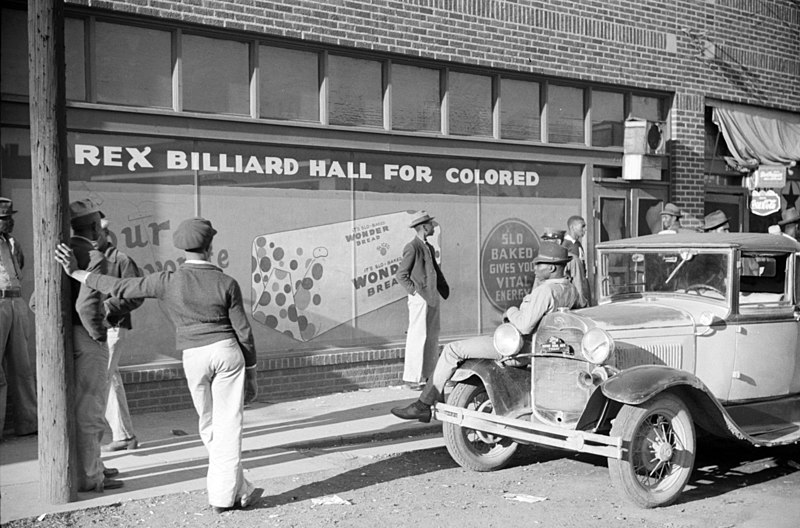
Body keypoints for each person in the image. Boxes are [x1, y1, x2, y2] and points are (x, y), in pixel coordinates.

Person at [56, 217, 261, 514]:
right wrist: (251, 373)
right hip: (227, 352)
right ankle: (223, 496)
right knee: (228, 425)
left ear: (181, 247)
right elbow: (243, 332)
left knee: (208, 425)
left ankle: (238, 488)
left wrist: (76, 271)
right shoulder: (227, 283)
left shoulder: (166, 280)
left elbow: (119, 287)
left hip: (194, 356)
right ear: (210, 246)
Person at [390, 242, 579, 423]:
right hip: (539, 350)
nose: (535, 268)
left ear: (552, 268)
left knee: (452, 350)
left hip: (519, 349)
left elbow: (524, 326)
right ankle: (436, 398)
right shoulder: (570, 290)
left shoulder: (546, 292)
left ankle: (423, 405)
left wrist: (511, 311)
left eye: (539, 264)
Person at [66, 199, 123, 491]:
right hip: (87, 337)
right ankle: (90, 477)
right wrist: (98, 334)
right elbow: (86, 305)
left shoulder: (63, 250)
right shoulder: (93, 256)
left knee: (81, 407)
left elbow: (36, 302)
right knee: (91, 410)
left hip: (70, 337)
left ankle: (93, 466)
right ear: (92, 226)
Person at [96, 213, 144, 452]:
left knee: (100, 380)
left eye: (95, 233)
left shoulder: (121, 260)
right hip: (94, 328)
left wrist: (108, 306)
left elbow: (136, 295)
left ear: (105, 234)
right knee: (109, 377)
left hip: (113, 327)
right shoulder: (86, 258)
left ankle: (114, 436)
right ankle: (124, 435)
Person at [396, 211, 449, 391]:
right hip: (420, 298)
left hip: (432, 296)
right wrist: (414, 291)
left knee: (431, 337)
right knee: (417, 337)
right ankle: (412, 378)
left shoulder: (428, 247)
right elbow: (401, 275)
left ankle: (427, 376)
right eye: (431, 224)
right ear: (424, 227)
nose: (433, 226)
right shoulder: (412, 247)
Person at [0, 197, 37, 439]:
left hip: (16, 300)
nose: (10, 222)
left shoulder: (12, 242)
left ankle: (29, 423)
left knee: (22, 366)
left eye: (10, 217)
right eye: (5, 218)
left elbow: (20, 268)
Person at [561, 215, 589, 308]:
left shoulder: (577, 244)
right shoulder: (565, 245)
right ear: (572, 227)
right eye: (582, 226)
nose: (585, 229)